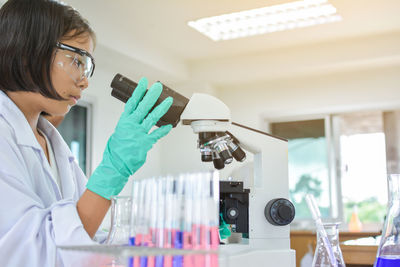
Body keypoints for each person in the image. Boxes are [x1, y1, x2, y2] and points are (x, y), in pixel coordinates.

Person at [0, 0, 173, 266]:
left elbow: (85, 236)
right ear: (26, 53)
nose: (85, 80)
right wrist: (113, 169)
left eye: (87, 65)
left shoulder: (51, 143)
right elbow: (35, 254)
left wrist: (158, 245)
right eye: (77, 61)